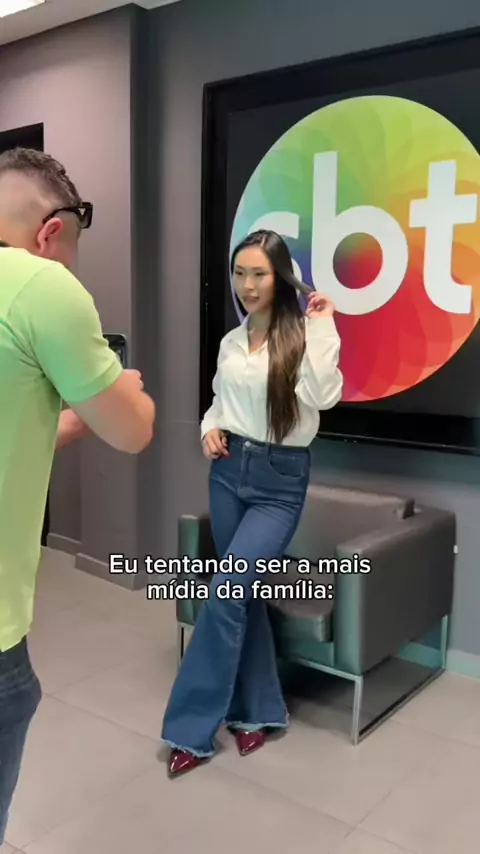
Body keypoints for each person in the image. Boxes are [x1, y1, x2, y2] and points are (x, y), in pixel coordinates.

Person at [0, 147, 156, 844]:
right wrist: (125, 393)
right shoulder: (41, 285)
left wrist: (66, 420)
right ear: (51, 232)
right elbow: (132, 431)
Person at [161, 229, 342, 777]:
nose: (247, 284)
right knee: (243, 596)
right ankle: (258, 711)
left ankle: (189, 730)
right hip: (227, 472)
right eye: (240, 273)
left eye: (258, 273)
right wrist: (208, 428)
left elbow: (323, 396)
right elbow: (220, 403)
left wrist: (322, 325)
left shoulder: (304, 336)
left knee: (226, 594)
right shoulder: (231, 342)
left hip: (279, 482)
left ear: (280, 276)